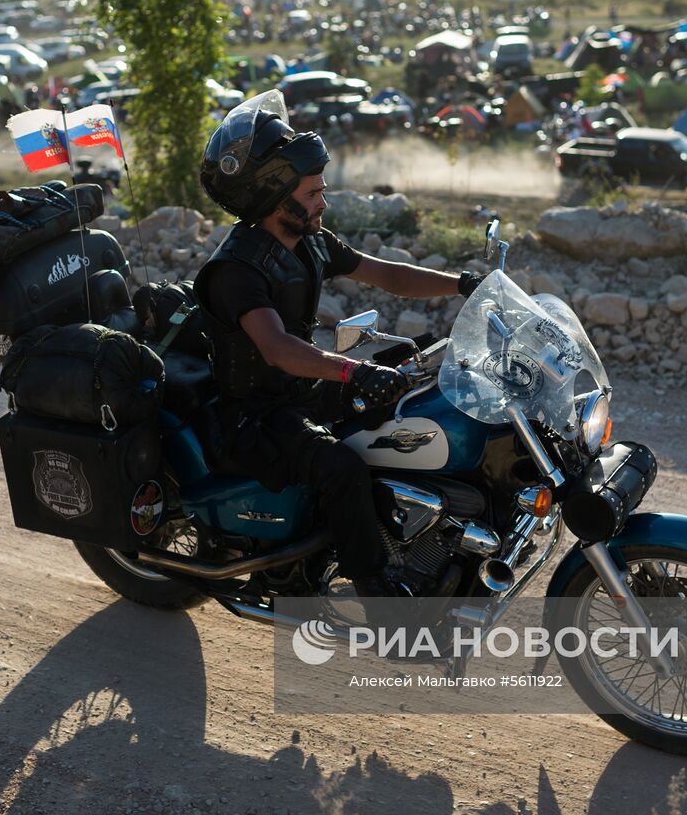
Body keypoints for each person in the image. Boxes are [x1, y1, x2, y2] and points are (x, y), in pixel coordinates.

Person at [194, 91, 484, 599]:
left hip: (299, 390)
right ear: (270, 198)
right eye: (311, 194)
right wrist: (354, 372)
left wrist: (461, 284)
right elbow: (278, 348)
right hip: (255, 415)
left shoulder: (309, 240)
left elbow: (386, 274)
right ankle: (375, 587)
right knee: (341, 466)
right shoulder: (235, 270)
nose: (322, 202)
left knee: (410, 390)